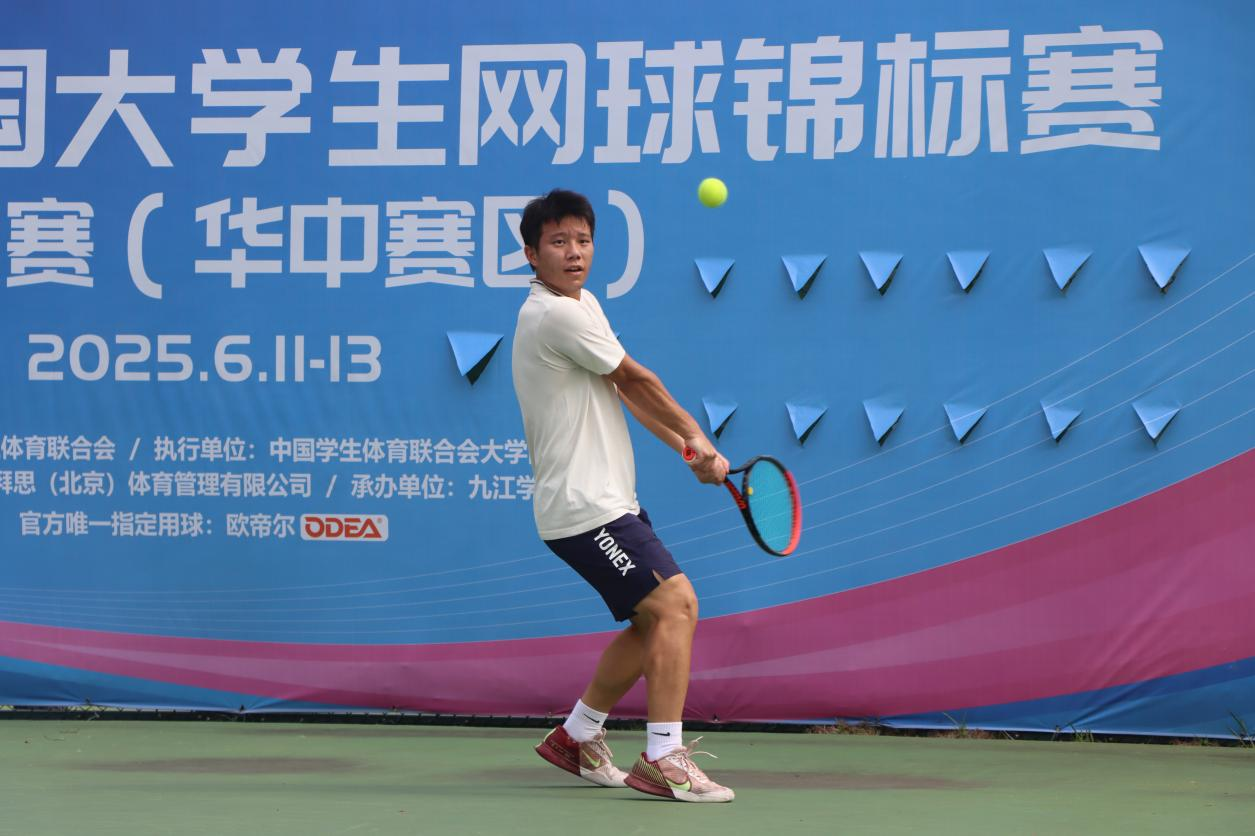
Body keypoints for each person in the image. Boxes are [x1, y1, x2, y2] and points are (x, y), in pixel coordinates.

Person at [511, 189, 735, 803]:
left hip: (606, 501)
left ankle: (577, 736)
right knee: (677, 605)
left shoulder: (581, 306)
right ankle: (663, 758)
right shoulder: (555, 316)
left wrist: (689, 451)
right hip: (585, 507)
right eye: (558, 242)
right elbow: (639, 379)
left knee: (651, 622)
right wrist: (697, 437)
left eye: (583, 240)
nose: (574, 252)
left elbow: (624, 391)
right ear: (531, 254)